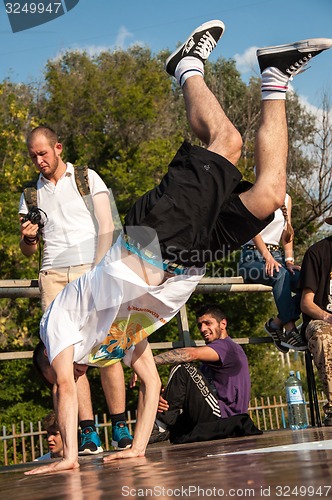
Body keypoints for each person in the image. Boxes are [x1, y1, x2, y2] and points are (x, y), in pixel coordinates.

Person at [24, 20, 332, 476]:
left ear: (49, 357)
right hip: (188, 260)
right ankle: (274, 79)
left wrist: (69, 456)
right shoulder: (108, 344)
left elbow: (66, 390)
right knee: (269, 196)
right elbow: (149, 383)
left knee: (227, 142)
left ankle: (185, 65)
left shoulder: (58, 326)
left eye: (57, 373)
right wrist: (138, 448)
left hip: (152, 240)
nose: (67, 377)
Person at [19, 125, 133, 453]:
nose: (38, 160)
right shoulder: (30, 195)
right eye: (33, 156)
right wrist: (28, 237)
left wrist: (98, 272)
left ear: (57, 147)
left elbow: (108, 224)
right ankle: (87, 431)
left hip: (90, 268)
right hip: (53, 275)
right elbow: (28, 250)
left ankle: (120, 424)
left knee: (106, 350)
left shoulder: (86, 177)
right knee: (66, 359)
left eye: (43, 153)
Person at [147, 304, 261, 444]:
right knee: (178, 382)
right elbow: (193, 390)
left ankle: (161, 426)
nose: (203, 329)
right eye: (200, 325)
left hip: (225, 416)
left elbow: (191, 354)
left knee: (183, 368)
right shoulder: (207, 364)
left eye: (208, 323)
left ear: (223, 324)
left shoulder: (227, 347)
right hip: (213, 416)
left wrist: (147, 364)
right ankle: (161, 425)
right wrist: (167, 397)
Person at [239, 193, 305, 352]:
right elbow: (253, 231)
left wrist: (289, 260)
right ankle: (289, 329)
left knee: (308, 280)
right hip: (251, 258)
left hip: (278, 258)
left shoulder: (287, 198)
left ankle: (276, 324)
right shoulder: (253, 192)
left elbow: (288, 233)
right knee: (280, 274)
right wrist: (267, 257)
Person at [299, 214, 332, 426]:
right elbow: (306, 304)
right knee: (324, 337)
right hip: (322, 320)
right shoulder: (317, 252)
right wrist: (328, 317)